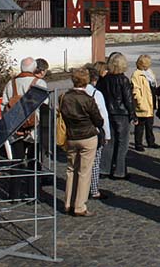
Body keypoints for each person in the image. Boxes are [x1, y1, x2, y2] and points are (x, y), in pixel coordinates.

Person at [1, 57, 48, 200]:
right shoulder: (39, 83)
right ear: (34, 69)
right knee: (34, 161)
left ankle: (14, 194)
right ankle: (33, 194)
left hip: (15, 128)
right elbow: (45, 106)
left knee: (16, 161)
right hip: (34, 128)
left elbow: (4, 106)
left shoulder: (11, 83)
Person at [60, 69, 104, 216]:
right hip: (87, 136)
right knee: (84, 172)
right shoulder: (88, 99)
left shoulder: (64, 97)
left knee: (71, 169)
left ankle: (68, 203)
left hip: (71, 136)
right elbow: (99, 120)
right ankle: (79, 206)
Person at [97, 53, 136, 180]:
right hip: (121, 113)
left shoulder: (105, 79)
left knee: (109, 141)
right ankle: (119, 171)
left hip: (108, 112)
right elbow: (128, 99)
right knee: (122, 143)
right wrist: (133, 114)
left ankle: (105, 169)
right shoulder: (123, 79)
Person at [85, 67, 111, 200]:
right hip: (93, 131)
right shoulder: (96, 94)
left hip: (75, 132)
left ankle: (78, 189)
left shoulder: (71, 93)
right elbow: (103, 116)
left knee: (77, 164)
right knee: (95, 162)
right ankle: (93, 189)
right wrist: (107, 134)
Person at [130, 55, 157, 151]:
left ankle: (151, 142)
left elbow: (153, 85)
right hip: (142, 103)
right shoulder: (136, 74)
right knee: (140, 126)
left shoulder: (149, 73)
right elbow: (135, 90)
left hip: (150, 102)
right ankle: (138, 144)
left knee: (150, 124)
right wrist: (140, 102)